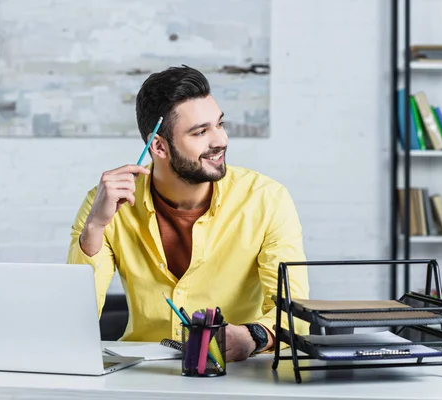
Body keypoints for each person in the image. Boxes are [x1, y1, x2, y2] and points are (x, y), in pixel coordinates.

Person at [67, 65, 309, 362]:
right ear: (159, 146)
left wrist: (254, 336)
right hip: (141, 378)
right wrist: (94, 227)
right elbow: (73, 320)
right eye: (200, 132)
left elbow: (297, 311)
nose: (220, 140)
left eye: (219, 125)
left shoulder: (266, 199)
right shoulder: (106, 202)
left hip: (236, 373)